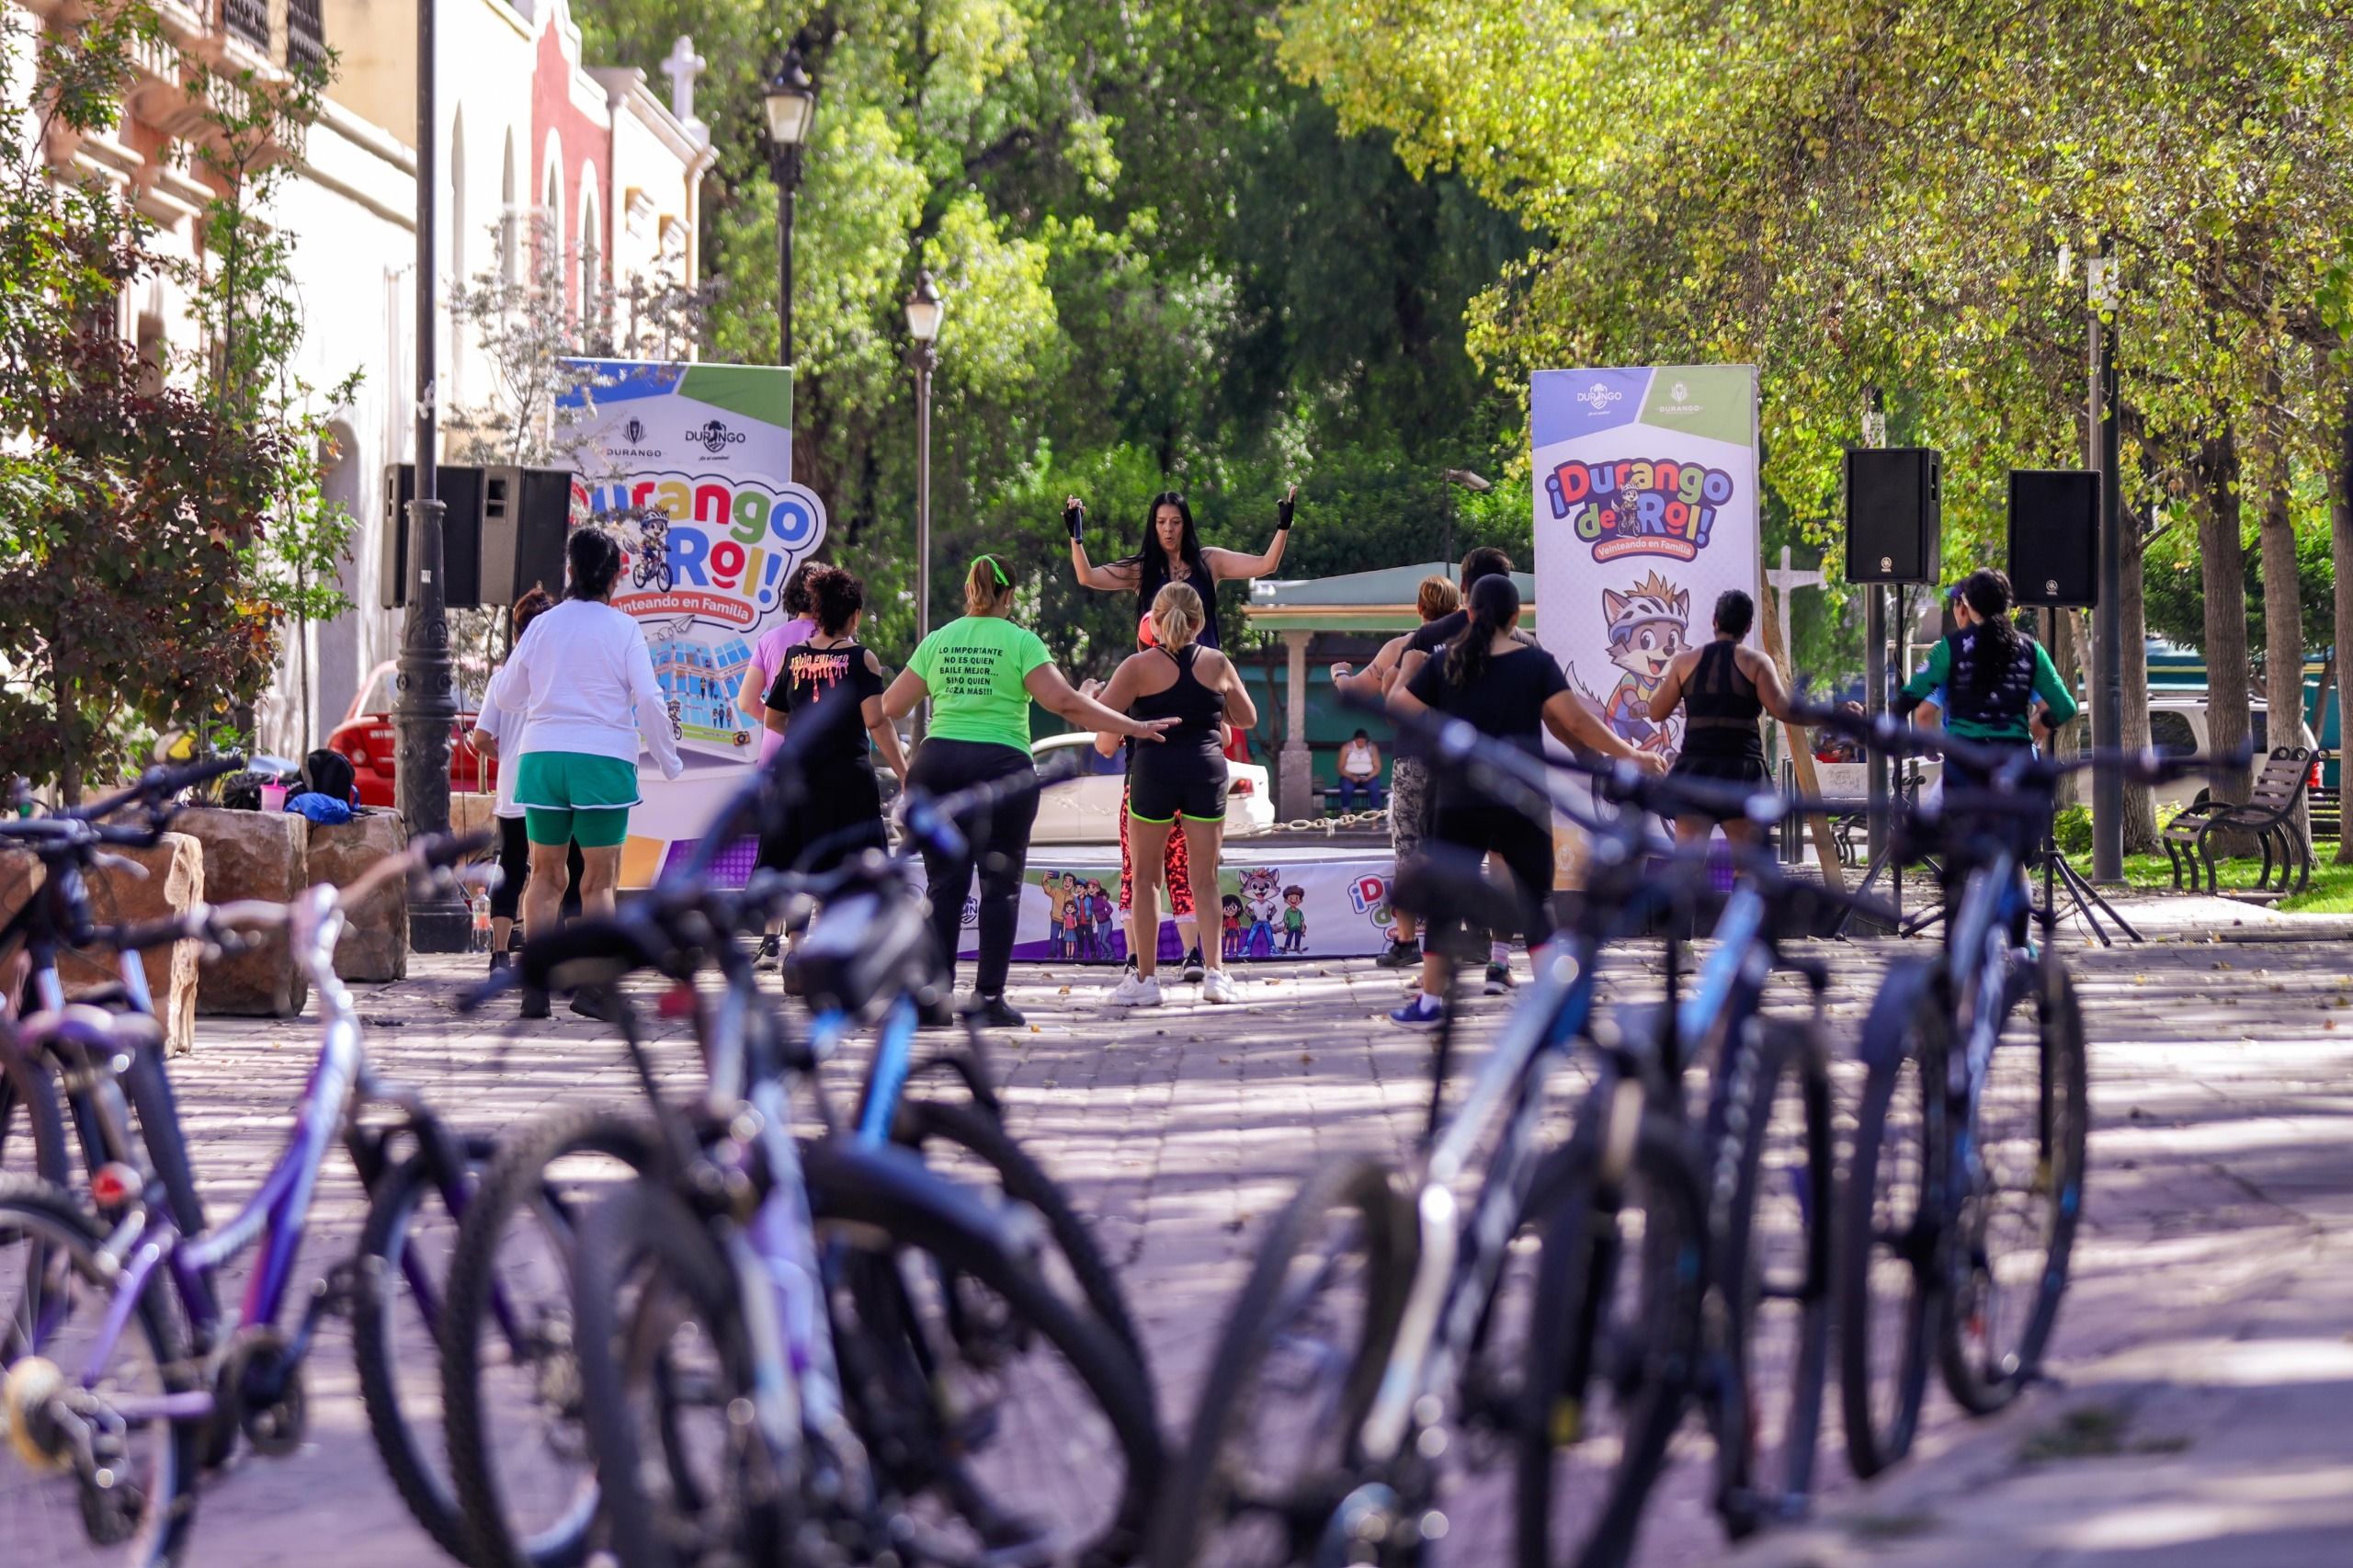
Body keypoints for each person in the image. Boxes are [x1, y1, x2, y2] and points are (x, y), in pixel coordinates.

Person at [882, 553, 1177, 1028]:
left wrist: (902, 765)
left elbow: (890, 705)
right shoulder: (1022, 642)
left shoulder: (937, 640)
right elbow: (1064, 701)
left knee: (944, 886)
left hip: (935, 766)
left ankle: (932, 998)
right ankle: (988, 999)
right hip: (1000, 769)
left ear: (969, 591)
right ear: (1010, 595)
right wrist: (1134, 726)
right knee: (999, 887)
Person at [1386, 574, 1666, 1030]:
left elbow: (1400, 704)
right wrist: (1632, 754)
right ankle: (1556, 1009)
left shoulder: (1446, 665)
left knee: (1445, 901)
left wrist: (1423, 692)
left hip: (1459, 800)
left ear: (1470, 613)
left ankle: (1430, 1004)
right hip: (1522, 800)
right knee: (1538, 902)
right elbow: (1573, 719)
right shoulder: (1536, 663)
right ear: (1516, 618)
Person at [487, 526, 685, 1019]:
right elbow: (648, 699)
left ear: (570, 572)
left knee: (545, 874)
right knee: (598, 881)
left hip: (542, 759)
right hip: (602, 761)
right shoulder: (623, 630)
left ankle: (536, 985)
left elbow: (508, 695)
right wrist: (667, 758)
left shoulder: (542, 626)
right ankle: (595, 988)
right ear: (617, 577)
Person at [1091, 583, 1257, 1007]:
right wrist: (1213, 703)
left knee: (1146, 879)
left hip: (1154, 773)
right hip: (1205, 773)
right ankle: (1217, 975)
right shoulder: (1217, 662)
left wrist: (1098, 700)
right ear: (1199, 622)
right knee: (1204, 879)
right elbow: (1248, 717)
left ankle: (1146, 981)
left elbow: (1104, 733)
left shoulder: (1137, 667)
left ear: (1155, 622)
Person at [1330, 574, 1458, 968]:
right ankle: (1463, 938)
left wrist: (1339, 674)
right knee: (1457, 846)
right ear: (1456, 610)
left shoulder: (1401, 648)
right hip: (1458, 760)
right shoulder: (1470, 648)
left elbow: (1355, 693)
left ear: (1419, 609)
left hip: (1412, 758)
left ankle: (1406, 942)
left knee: (1408, 847)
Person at [758, 566, 910, 877]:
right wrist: (904, 774)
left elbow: (773, 718)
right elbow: (877, 722)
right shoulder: (861, 657)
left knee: (797, 867)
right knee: (851, 872)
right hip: (847, 781)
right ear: (854, 616)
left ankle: (793, 929)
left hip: (798, 776)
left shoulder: (794, 655)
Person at [1085, 615, 1206, 984]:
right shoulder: (1203, 671)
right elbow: (1229, 734)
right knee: (1184, 875)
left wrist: (1090, 700)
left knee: (1137, 876)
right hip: (1191, 791)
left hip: (1144, 790)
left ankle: (1137, 961)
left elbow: (1105, 746)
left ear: (1142, 643)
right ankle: (1193, 955)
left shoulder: (1134, 679)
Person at [1646, 588, 1802, 848]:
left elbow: (1655, 712)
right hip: (1741, 770)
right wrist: (1834, 717)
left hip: (1697, 770)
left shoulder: (1685, 663)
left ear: (1715, 620)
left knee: (1688, 865)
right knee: (1747, 866)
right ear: (1748, 626)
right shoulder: (1757, 663)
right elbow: (1782, 710)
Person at [1064, 487, 1297, 652]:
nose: (1168, 529)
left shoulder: (1209, 561)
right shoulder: (1141, 569)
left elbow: (1267, 564)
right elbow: (1087, 576)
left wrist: (1283, 527)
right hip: (1159, 679)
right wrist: (1075, 536)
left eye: (1175, 522)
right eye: (1161, 522)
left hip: (1205, 673)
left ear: (1185, 525)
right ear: (1153, 526)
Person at [1896, 568, 2078, 774]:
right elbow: (2065, 707)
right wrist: (2043, 722)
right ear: (2007, 604)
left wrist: (1897, 717)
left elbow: (1914, 694)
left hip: (1964, 763)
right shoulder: (2031, 649)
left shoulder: (1951, 647)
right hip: (2014, 762)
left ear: (1970, 605)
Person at [737, 561, 824, 969]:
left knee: (774, 850)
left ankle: (768, 942)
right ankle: (798, 947)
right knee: (808, 852)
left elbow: (746, 702)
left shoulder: (771, 640)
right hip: (818, 762)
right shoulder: (835, 641)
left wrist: (778, 723)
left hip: (773, 760)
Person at [467, 587, 556, 969]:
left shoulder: (502, 679)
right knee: (555, 874)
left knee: (512, 869)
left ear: (517, 634)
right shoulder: (558, 677)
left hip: (513, 789)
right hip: (552, 788)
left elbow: (480, 738)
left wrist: (503, 756)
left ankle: (499, 955)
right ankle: (552, 955)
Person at [1336, 730, 1383, 813]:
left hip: (1368, 775)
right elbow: (1340, 767)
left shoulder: (1371, 748)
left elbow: (1377, 767)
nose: (1361, 743)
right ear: (1354, 740)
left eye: (1363, 742)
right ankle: (1347, 816)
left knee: (1375, 788)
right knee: (1347, 789)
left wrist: (1369, 777)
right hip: (1349, 776)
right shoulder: (1347, 747)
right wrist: (1351, 776)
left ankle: (1374, 817)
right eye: (1359, 741)